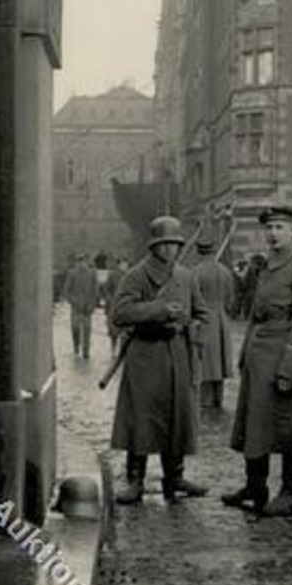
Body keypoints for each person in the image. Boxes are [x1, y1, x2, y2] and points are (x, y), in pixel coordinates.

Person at [222, 205, 292, 517]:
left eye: (280, 227)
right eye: (269, 228)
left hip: (283, 359)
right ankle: (255, 486)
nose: (273, 233)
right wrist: (245, 353)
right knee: (256, 424)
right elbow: (256, 314)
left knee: (290, 427)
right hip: (259, 359)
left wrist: (290, 369)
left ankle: (291, 493)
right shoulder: (267, 266)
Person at [109, 216, 210, 504]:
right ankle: (136, 481)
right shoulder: (136, 276)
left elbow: (202, 313)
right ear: (153, 246)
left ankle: (175, 477)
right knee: (142, 417)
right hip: (145, 355)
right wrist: (159, 309)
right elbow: (120, 314)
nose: (170, 250)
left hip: (177, 353)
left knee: (177, 417)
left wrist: (193, 328)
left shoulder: (187, 276)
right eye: (163, 245)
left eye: (174, 245)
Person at [193, 233, 234, 409]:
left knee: (205, 363)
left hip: (204, 320)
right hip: (222, 320)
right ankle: (219, 399)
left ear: (199, 251)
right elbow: (231, 300)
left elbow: (193, 300)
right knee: (220, 361)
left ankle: (206, 402)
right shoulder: (226, 272)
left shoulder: (195, 272)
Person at [62, 252, 100, 359]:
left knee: (87, 329)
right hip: (76, 307)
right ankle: (76, 345)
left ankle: (86, 350)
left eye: (83, 260)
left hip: (87, 307)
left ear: (87, 261)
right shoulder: (72, 273)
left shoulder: (92, 273)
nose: (81, 263)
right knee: (75, 328)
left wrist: (92, 304)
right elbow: (66, 291)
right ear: (76, 262)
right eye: (79, 261)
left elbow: (95, 290)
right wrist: (73, 302)